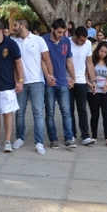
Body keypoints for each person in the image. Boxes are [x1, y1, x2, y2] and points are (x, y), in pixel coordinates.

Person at [13, 19, 54, 154]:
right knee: (19, 112)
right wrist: (17, 81)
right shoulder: (14, 41)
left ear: (23, 26)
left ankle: (39, 142)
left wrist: (50, 76)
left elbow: (47, 60)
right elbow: (13, 64)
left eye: (15, 25)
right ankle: (20, 138)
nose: (14, 28)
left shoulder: (38, 40)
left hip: (37, 82)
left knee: (38, 113)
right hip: (21, 82)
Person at [0, 21, 23, 152]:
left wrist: (20, 81)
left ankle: (7, 141)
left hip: (8, 85)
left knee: (7, 114)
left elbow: (18, 63)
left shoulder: (11, 44)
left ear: (0, 31)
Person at [43, 18, 77, 149]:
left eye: (63, 32)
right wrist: (47, 76)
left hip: (63, 82)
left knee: (66, 112)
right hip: (49, 83)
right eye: (59, 32)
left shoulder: (66, 41)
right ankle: (53, 139)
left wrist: (73, 78)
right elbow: (42, 61)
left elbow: (69, 61)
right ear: (52, 29)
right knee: (50, 112)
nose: (61, 35)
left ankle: (69, 138)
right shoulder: (43, 40)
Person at [69, 26, 96, 145]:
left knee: (82, 109)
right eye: (82, 40)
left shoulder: (88, 43)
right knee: (69, 110)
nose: (84, 42)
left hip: (81, 81)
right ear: (75, 37)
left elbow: (89, 62)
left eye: (85, 40)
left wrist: (93, 80)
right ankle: (71, 134)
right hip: (69, 81)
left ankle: (85, 135)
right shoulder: (67, 42)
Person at [88, 41, 107, 146]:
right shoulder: (92, 61)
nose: (102, 54)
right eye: (101, 51)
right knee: (94, 114)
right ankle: (94, 136)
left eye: (105, 52)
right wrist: (90, 85)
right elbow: (86, 76)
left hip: (105, 92)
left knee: (106, 114)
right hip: (93, 91)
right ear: (98, 50)